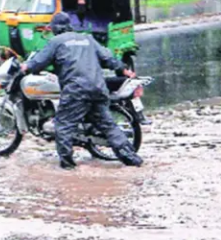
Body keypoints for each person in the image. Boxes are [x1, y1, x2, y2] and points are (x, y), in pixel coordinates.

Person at [21, 13, 144, 170]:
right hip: (98, 89)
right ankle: (132, 159)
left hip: (76, 91)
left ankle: (68, 166)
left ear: (55, 28)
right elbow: (108, 58)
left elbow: (38, 62)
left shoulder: (56, 42)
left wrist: (26, 67)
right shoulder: (88, 39)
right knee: (108, 126)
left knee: (63, 125)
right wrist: (124, 70)